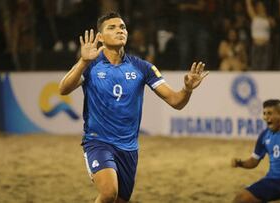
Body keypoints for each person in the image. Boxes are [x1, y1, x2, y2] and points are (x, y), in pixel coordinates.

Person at [59, 12, 208, 203]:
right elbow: (63, 89)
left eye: (122, 27)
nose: (119, 30)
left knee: (119, 200)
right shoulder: (91, 64)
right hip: (98, 142)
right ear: (100, 37)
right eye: (111, 28)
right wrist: (83, 61)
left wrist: (187, 89)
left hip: (129, 149)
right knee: (108, 193)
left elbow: (176, 101)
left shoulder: (142, 67)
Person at [231, 99, 280, 203]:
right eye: (264, 113)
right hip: (272, 180)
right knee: (240, 199)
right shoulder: (264, 135)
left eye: (269, 113)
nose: (266, 117)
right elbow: (254, 161)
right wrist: (240, 163)